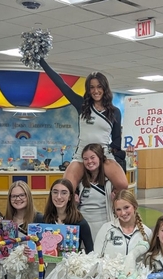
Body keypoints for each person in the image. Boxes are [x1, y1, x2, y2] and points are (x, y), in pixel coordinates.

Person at [39, 58, 128, 193]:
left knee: (122, 184)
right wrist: (41, 61)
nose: (96, 91)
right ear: (88, 89)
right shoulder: (82, 105)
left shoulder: (114, 111)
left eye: (99, 86)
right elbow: (61, 84)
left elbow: (116, 139)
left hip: (104, 154)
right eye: (92, 87)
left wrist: (123, 150)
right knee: (66, 188)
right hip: (81, 154)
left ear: (105, 88)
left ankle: (109, 203)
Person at [94, 189, 152, 279]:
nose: (123, 213)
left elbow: (149, 263)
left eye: (126, 207)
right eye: (118, 209)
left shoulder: (147, 233)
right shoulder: (106, 229)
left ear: (134, 206)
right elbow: (95, 258)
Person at [44, 179, 93, 254]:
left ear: (70, 197)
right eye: (55, 192)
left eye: (64, 193)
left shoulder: (80, 223)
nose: (59, 197)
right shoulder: (44, 220)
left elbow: (91, 251)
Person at [78, 143, 114, 240]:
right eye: (85, 159)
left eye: (92, 157)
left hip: (103, 225)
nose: (89, 161)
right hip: (83, 226)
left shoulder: (110, 182)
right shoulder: (80, 182)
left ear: (100, 158)